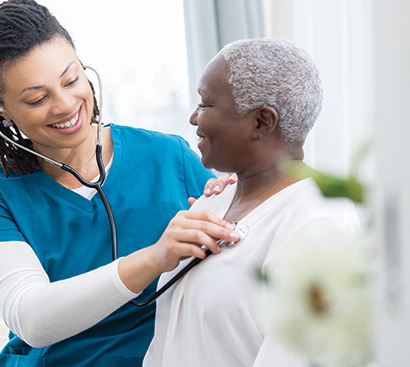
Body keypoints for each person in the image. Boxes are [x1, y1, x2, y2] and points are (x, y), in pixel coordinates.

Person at [0, 1, 237, 365]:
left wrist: (237, 199)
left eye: (71, 79)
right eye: (37, 98)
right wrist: (155, 257)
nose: (65, 105)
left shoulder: (169, 157)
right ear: (0, 108)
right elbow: (32, 318)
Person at [143, 38, 361, 367]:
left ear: (261, 122)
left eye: (205, 104)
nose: (193, 118)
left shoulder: (321, 227)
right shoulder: (212, 201)